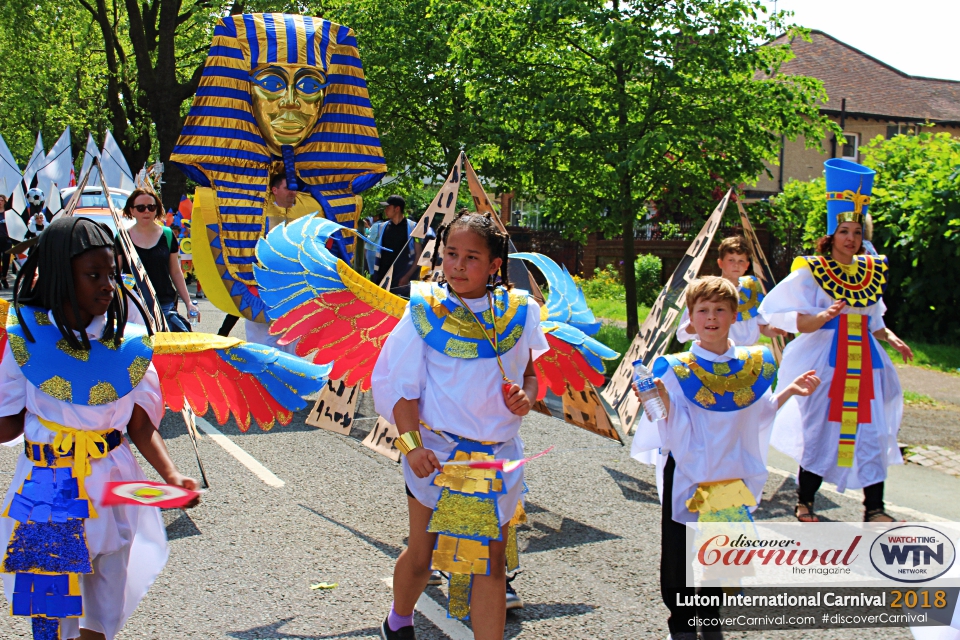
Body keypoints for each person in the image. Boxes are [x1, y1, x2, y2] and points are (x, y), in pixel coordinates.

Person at [0, 216, 200, 640]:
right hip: (47, 488)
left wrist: (170, 476)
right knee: (51, 613)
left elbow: (142, 426)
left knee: (104, 608)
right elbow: (8, 424)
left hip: (113, 486)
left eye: (112, 273)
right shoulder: (26, 343)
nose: (108, 285)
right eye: (94, 275)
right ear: (58, 277)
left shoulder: (129, 344)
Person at [371, 210, 549, 640]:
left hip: (495, 460)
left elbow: (528, 374)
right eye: (451, 254)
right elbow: (400, 388)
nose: (457, 265)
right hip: (436, 456)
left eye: (471, 257)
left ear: (493, 266)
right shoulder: (424, 312)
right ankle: (398, 620)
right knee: (422, 553)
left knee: (488, 562)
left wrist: (527, 395)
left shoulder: (520, 313)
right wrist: (412, 446)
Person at [631, 276, 820, 640]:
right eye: (703, 310)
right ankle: (682, 623)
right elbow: (667, 421)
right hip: (687, 467)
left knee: (723, 543)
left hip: (729, 469)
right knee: (680, 547)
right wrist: (661, 400)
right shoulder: (672, 367)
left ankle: (711, 615)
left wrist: (790, 392)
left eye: (720, 309)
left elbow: (757, 414)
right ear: (691, 318)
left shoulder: (755, 363)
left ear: (735, 315)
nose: (712, 317)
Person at [759, 158, 912, 523]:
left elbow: (875, 320)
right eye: (845, 231)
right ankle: (805, 499)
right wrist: (822, 317)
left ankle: (874, 507)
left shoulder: (871, 273)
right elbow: (783, 315)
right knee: (820, 428)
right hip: (825, 359)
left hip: (868, 363)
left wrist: (892, 339)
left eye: (857, 233)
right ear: (833, 235)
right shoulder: (812, 272)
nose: (852, 239)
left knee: (872, 430)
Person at [675, 236, 786, 346]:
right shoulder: (706, 291)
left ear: (747, 265)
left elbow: (763, 328)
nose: (736, 265)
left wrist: (775, 329)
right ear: (720, 263)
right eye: (731, 260)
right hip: (712, 353)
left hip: (745, 355)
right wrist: (700, 322)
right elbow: (682, 335)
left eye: (741, 260)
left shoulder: (754, 292)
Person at [122, 188, 199, 331]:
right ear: (131, 211)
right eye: (140, 208)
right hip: (134, 306)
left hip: (164, 304)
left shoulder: (168, 235)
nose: (146, 211)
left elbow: (175, 272)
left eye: (151, 207)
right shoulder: (123, 238)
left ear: (156, 210)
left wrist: (188, 303)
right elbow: (115, 275)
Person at [366, 195, 433, 297]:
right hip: (383, 279)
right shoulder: (382, 227)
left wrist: (407, 276)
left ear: (397, 209)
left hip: (403, 281)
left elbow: (418, 256)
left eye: (388, 207)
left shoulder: (413, 228)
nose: (385, 210)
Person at [0, 193, 11, 288]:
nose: (0, 202)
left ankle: (4, 277)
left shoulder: (8, 213)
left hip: (7, 240)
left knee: (6, 260)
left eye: (1, 200)